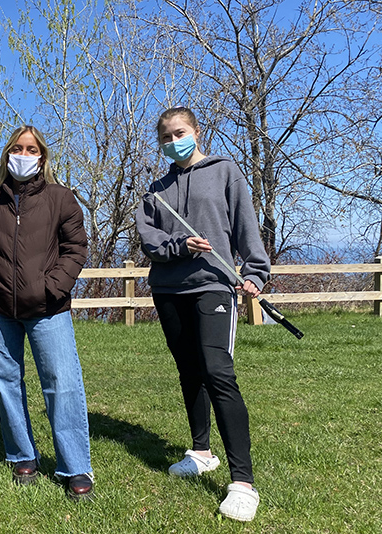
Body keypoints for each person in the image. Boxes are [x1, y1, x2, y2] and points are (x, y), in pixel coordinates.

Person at [135, 107, 270, 522]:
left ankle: (243, 483)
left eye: (180, 132)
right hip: (168, 290)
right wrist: (180, 245)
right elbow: (149, 240)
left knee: (217, 371)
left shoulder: (225, 171)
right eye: (166, 137)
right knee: (189, 370)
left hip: (214, 286)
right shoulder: (155, 191)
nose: (174, 141)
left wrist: (255, 272)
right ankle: (200, 452)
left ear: (196, 131)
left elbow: (245, 225)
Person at [0, 125, 94, 502]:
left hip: (49, 310)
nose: (23, 154)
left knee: (62, 383)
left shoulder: (61, 198)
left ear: (42, 157)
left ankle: (75, 466)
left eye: (31, 149)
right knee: (6, 382)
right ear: (7, 155)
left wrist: (53, 287)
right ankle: (23, 456)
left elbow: (76, 249)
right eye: (17, 148)